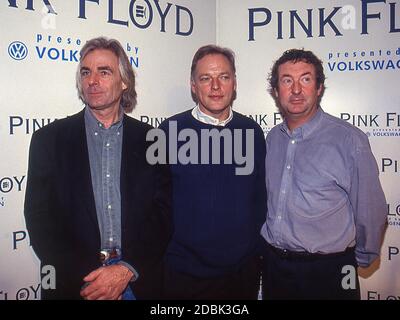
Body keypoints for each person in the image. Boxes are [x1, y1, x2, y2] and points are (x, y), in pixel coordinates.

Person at [24, 37, 172, 300]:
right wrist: (94, 278)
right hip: (77, 284)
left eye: (104, 72)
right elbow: (40, 219)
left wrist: (126, 269)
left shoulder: (152, 139)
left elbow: (163, 214)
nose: (92, 80)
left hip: (137, 281)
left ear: (124, 81)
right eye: (86, 72)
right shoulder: (49, 140)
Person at [261, 49, 387, 300]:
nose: (296, 90)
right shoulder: (272, 138)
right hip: (275, 268)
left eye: (306, 79)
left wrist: (358, 259)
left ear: (319, 88)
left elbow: (371, 210)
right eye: (287, 80)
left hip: (331, 271)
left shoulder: (350, 140)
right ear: (276, 91)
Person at [158, 45, 266, 299]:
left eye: (224, 77)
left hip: (243, 276)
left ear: (234, 83)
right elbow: (155, 208)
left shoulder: (252, 132)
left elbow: (260, 199)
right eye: (206, 78)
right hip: (184, 277)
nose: (215, 86)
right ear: (194, 86)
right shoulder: (168, 132)